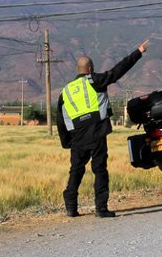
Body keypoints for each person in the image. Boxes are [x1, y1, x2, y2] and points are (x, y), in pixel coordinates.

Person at [58, 39, 149, 218]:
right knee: (99, 169)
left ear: (78, 70)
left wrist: (66, 141)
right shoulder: (94, 80)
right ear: (90, 69)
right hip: (96, 131)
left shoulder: (66, 91)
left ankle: (71, 207)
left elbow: (60, 119)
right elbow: (117, 71)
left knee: (76, 170)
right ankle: (101, 208)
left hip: (77, 136)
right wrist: (138, 52)